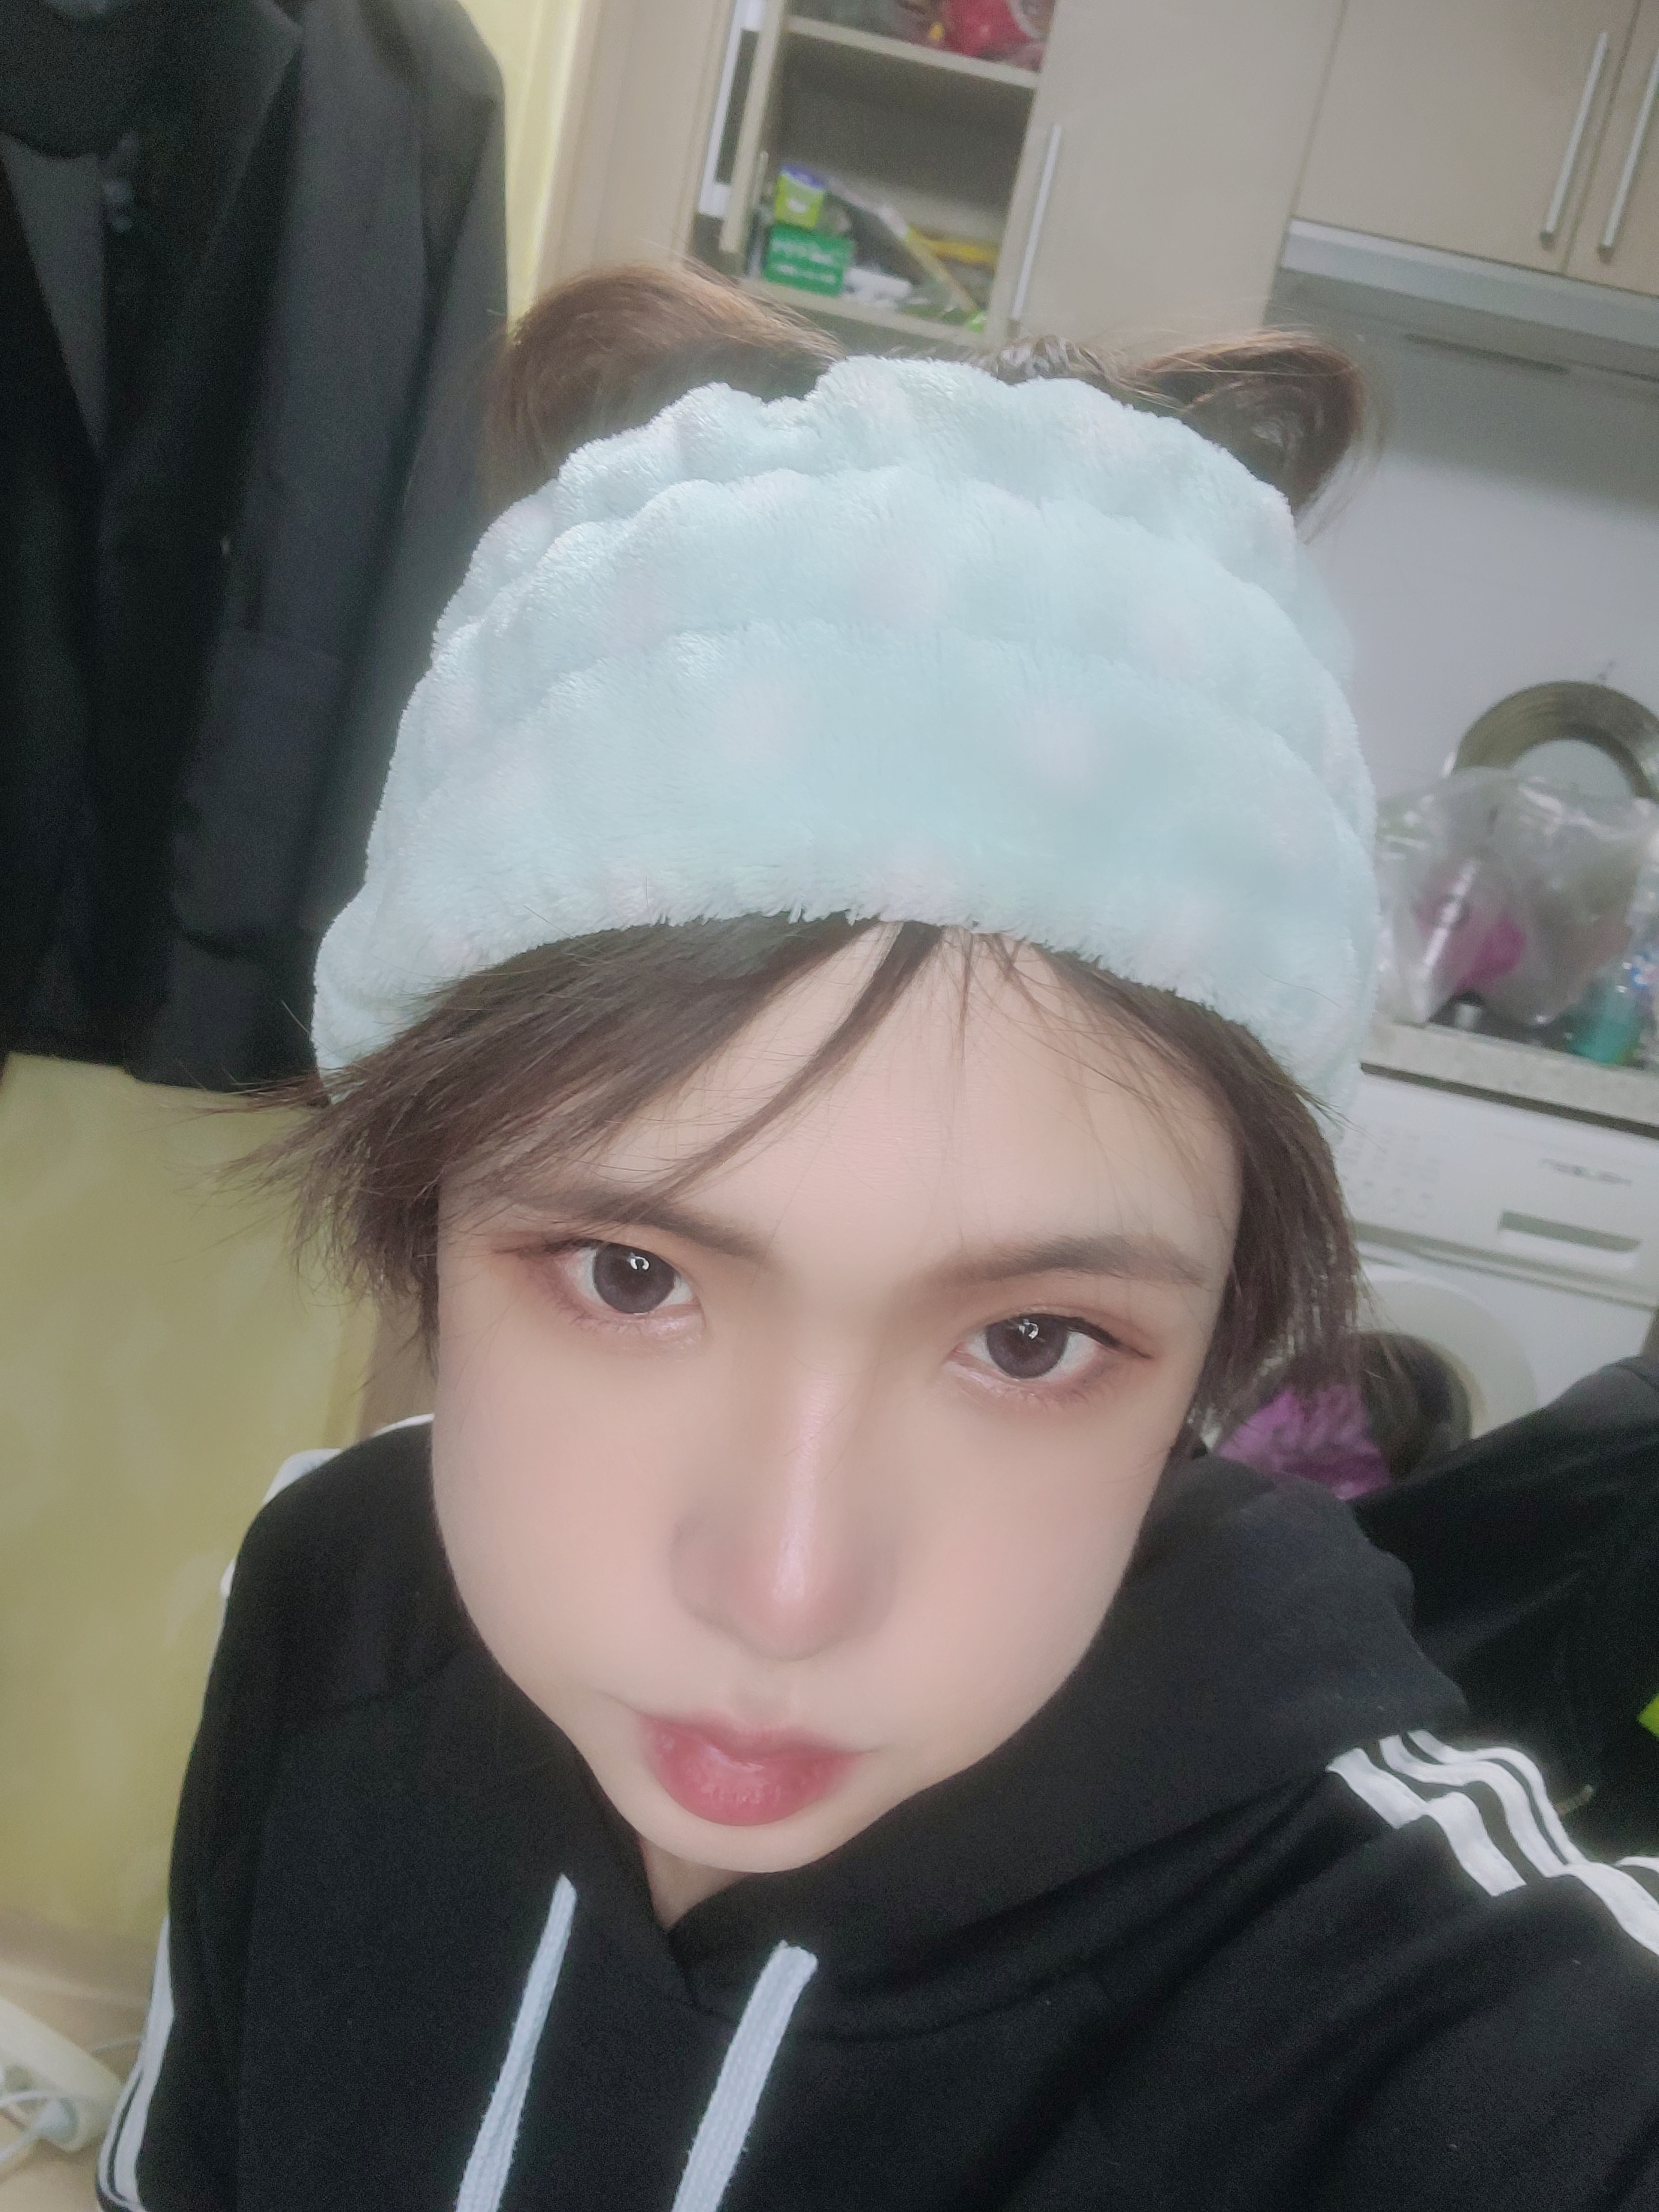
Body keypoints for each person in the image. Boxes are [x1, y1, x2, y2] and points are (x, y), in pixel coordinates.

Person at [98, 265, 1659, 2212]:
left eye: (1031, 1339)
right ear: (423, 1225)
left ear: (1218, 1339)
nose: (785, 1593)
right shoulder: (335, 1596)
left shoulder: (1445, 2021)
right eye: (633, 1276)